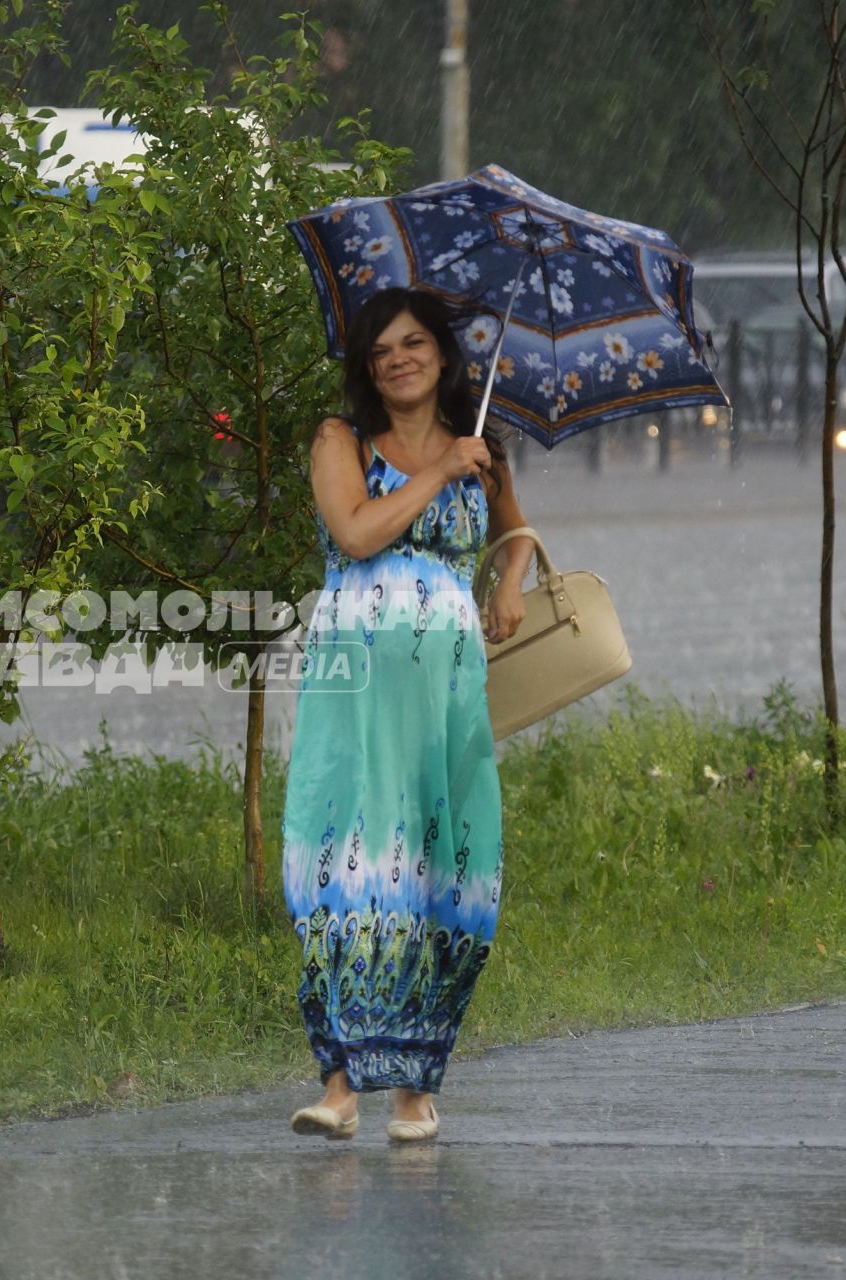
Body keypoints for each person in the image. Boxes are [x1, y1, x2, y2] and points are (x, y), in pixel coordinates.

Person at [283, 286, 534, 1143]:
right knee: (346, 859)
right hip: (354, 685)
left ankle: (417, 1089)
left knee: (440, 861)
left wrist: (507, 586)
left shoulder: (484, 449)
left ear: (444, 355)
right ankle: (340, 1084)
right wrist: (436, 471)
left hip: (445, 687)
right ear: (365, 365)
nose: (397, 358)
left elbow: (517, 535)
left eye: (414, 342)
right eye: (381, 348)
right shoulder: (339, 441)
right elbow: (356, 534)